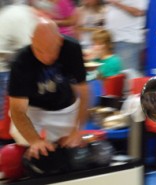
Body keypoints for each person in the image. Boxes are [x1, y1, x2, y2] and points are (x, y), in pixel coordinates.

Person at [8, 18, 89, 159]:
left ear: (60, 41)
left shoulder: (72, 49)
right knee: (31, 149)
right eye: (39, 51)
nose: (46, 57)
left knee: (70, 150)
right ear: (32, 41)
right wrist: (34, 140)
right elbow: (17, 110)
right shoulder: (20, 61)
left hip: (65, 106)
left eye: (51, 51)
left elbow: (84, 94)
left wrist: (77, 130)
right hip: (32, 110)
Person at [0, 4, 39, 144]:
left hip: (6, 66)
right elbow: (28, 46)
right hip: (4, 69)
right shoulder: (23, 14)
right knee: (7, 116)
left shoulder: (14, 11)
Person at [104, 0, 148, 75]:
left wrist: (116, 3)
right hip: (111, 40)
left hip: (127, 41)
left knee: (128, 77)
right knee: (112, 76)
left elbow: (139, 12)